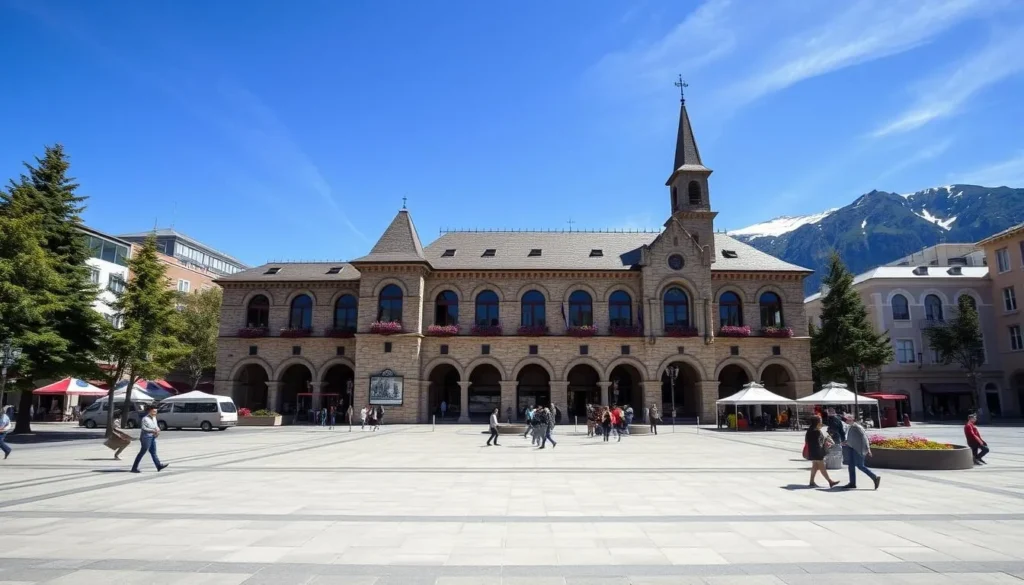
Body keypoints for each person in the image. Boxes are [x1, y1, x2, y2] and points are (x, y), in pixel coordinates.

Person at [841, 414, 881, 490]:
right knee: (851, 466)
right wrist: (846, 442)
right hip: (852, 448)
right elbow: (853, 438)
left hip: (858, 449)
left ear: (852, 419)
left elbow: (864, 437)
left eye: (847, 419)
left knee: (860, 465)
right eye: (845, 419)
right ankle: (852, 483)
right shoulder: (851, 427)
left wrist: (868, 449)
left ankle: (874, 477)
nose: (845, 421)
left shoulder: (857, 427)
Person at [804, 415, 838, 489]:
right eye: (820, 420)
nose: (821, 421)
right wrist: (826, 443)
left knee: (815, 466)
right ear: (817, 422)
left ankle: (811, 481)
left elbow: (808, 441)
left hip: (812, 451)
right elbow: (819, 443)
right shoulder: (816, 431)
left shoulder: (810, 430)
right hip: (817, 452)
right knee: (822, 467)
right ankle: (830, 481)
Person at [131, 405, 167, 473]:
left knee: (153, 452)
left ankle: (158, 465)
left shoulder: (154, 418)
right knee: (142, 452)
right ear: (150, 411)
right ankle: (134, 468)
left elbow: (155, 426)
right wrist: (153, 430)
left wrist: (158, 429)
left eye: (156, 411)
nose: (155, 413)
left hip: (152, 436)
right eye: (153, 411)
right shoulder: (145, 418)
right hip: (146, 437)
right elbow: (144, 428)